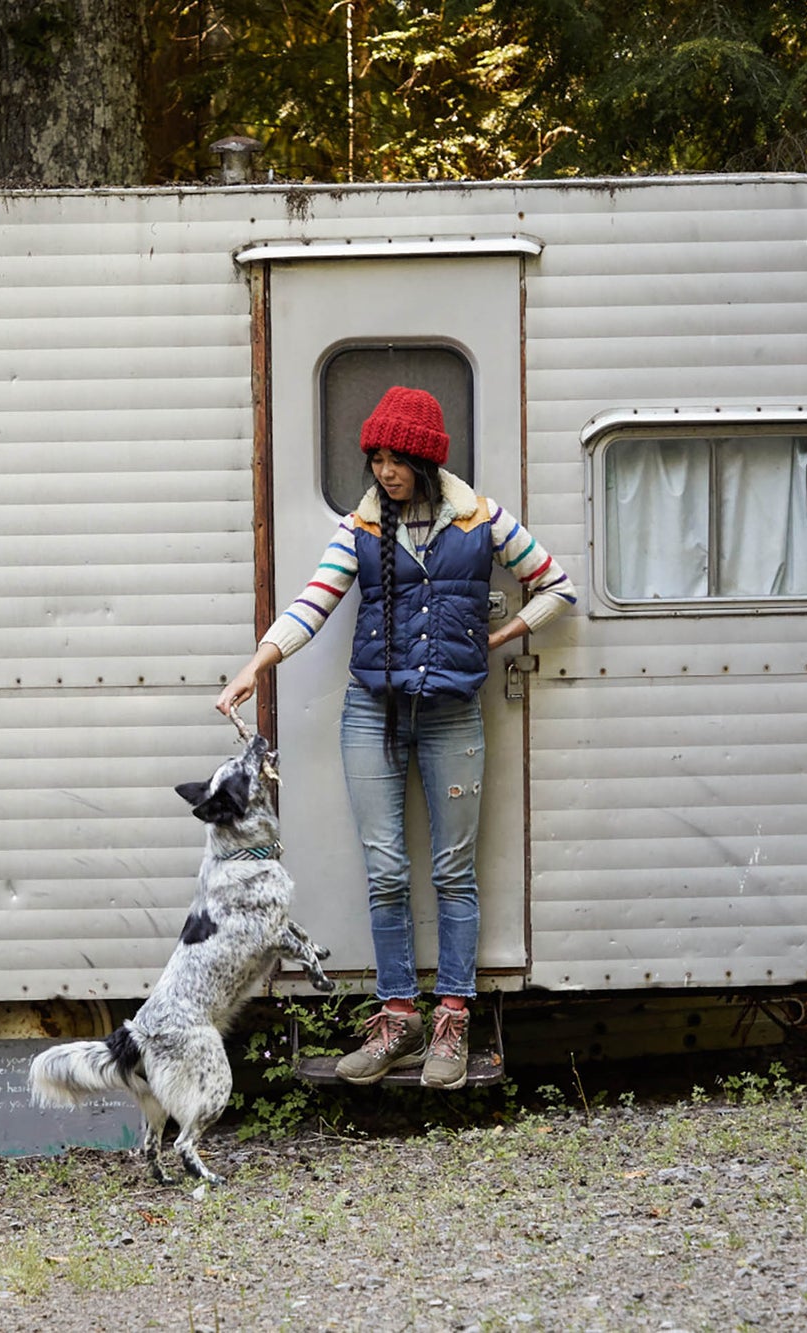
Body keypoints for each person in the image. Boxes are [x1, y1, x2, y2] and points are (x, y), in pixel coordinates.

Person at [215, 385, 576, 1089]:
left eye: (396, 458)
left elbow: (556, 585)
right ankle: (397, 1017)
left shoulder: (481, 520)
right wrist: (258, 664)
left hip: (451, 714)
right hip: (371, 713)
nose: (384, 471)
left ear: (425, 458)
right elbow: (314, 599)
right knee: (385, 872)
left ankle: (452, 1020)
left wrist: (497, 636)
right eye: (375, 458)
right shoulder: (363, 528)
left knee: (453, 871)